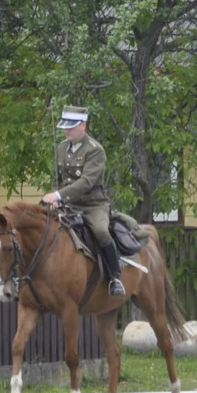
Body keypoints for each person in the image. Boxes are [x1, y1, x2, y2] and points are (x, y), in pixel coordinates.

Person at [42, 106, 125, 297]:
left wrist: (59, 195)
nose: (66, 130)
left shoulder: (95, 151)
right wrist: (56, 196)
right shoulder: (61, 148)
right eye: (65, 127)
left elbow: (87, 182)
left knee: (101, 231)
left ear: (83, 125)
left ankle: (115, 277)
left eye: (71, 127)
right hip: (68, 205)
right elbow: (59, 179)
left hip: (92, 205)